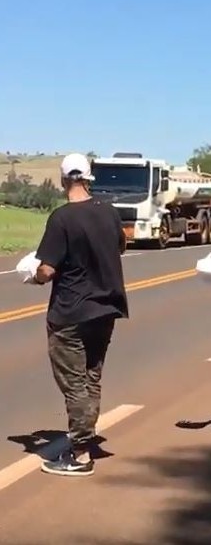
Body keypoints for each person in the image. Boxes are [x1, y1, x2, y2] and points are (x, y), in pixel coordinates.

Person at [32, 153, 128, 477]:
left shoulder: (62, 218)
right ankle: (85, 437)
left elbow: (46, 269)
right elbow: (121, 246)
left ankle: (81, 453)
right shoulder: (109, 213)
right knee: (91, 376)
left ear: (63, 180)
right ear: (88, 179)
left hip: (70, 312)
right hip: (105, 308)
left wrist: (33, 275)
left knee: (74, 383)